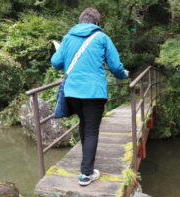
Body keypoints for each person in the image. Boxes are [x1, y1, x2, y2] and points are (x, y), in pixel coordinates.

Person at [51, 8, 129, 186]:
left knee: (84, 124)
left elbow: (55, 62)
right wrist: (124, 74)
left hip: (72, 93)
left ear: (80, 21)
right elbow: (116, 67)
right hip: (94, 92)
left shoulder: (67, 38)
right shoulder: (102, 38)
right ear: (96, 22)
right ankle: (86, 173)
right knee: (92, 130)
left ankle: (87, 162)